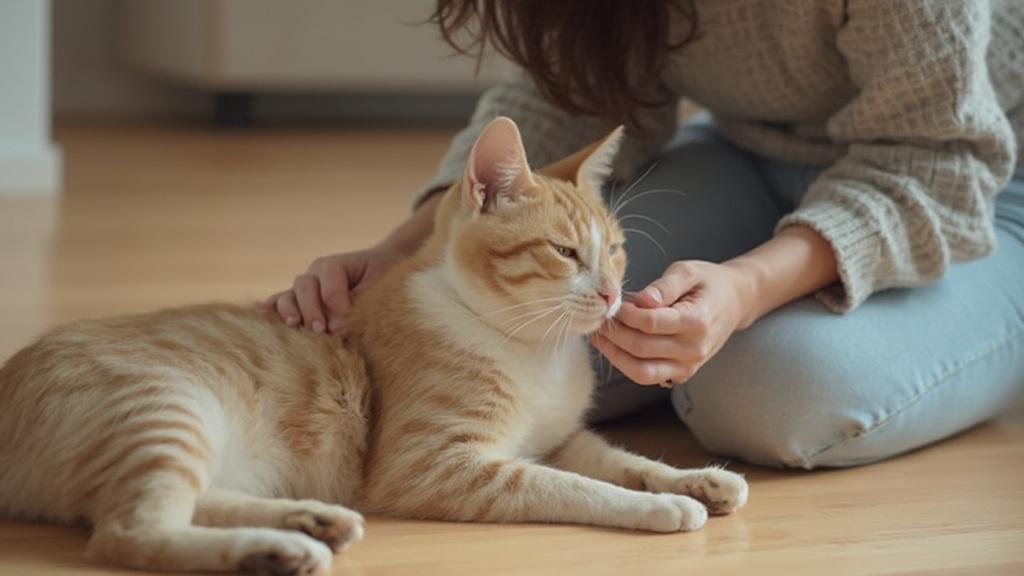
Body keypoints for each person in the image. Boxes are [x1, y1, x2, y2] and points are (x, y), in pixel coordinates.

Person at [265, 1, 1024, 469]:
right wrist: (402, 255)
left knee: (765, 395)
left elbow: (937, 159)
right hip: (749, 153)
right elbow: (568, 98)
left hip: (973, 185)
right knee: (497, 318)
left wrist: (748, 290)